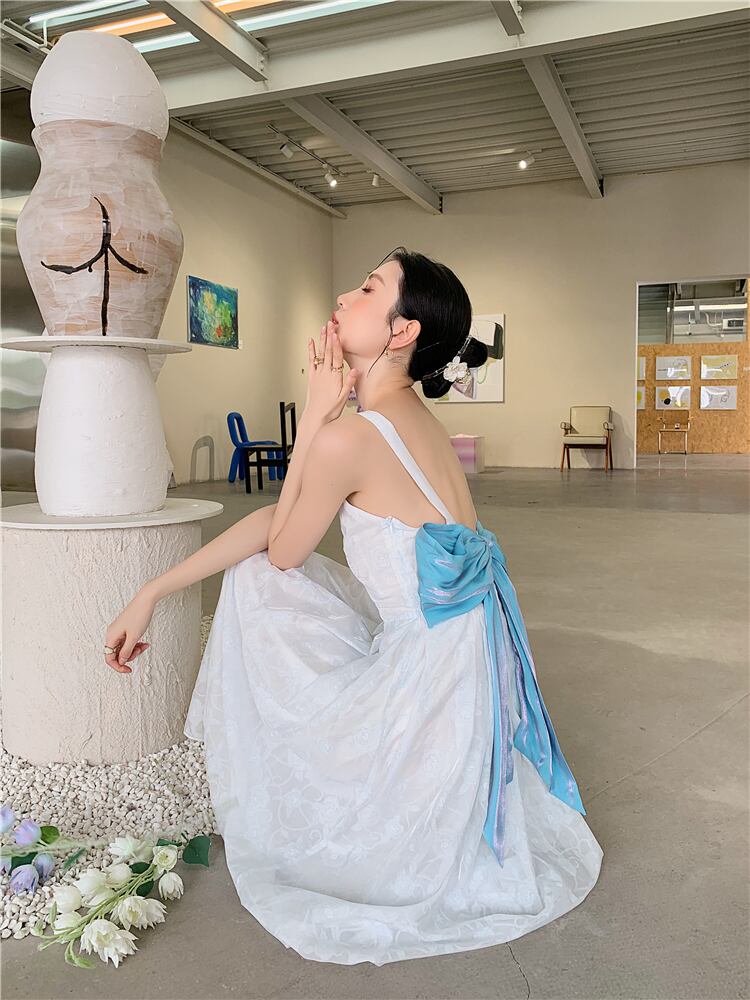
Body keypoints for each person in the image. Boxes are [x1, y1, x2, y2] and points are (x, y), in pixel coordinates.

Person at [104, 247, 603, 966]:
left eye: (368, 289)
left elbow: (281, 547)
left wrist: (314, 416)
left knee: (259, 580)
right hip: (462, 663)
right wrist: (154, 590)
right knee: (266, 567)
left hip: (435, 682)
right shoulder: (408, 416)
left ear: (402, 331)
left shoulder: (352, 437)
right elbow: (280, 520)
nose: (344, 297)